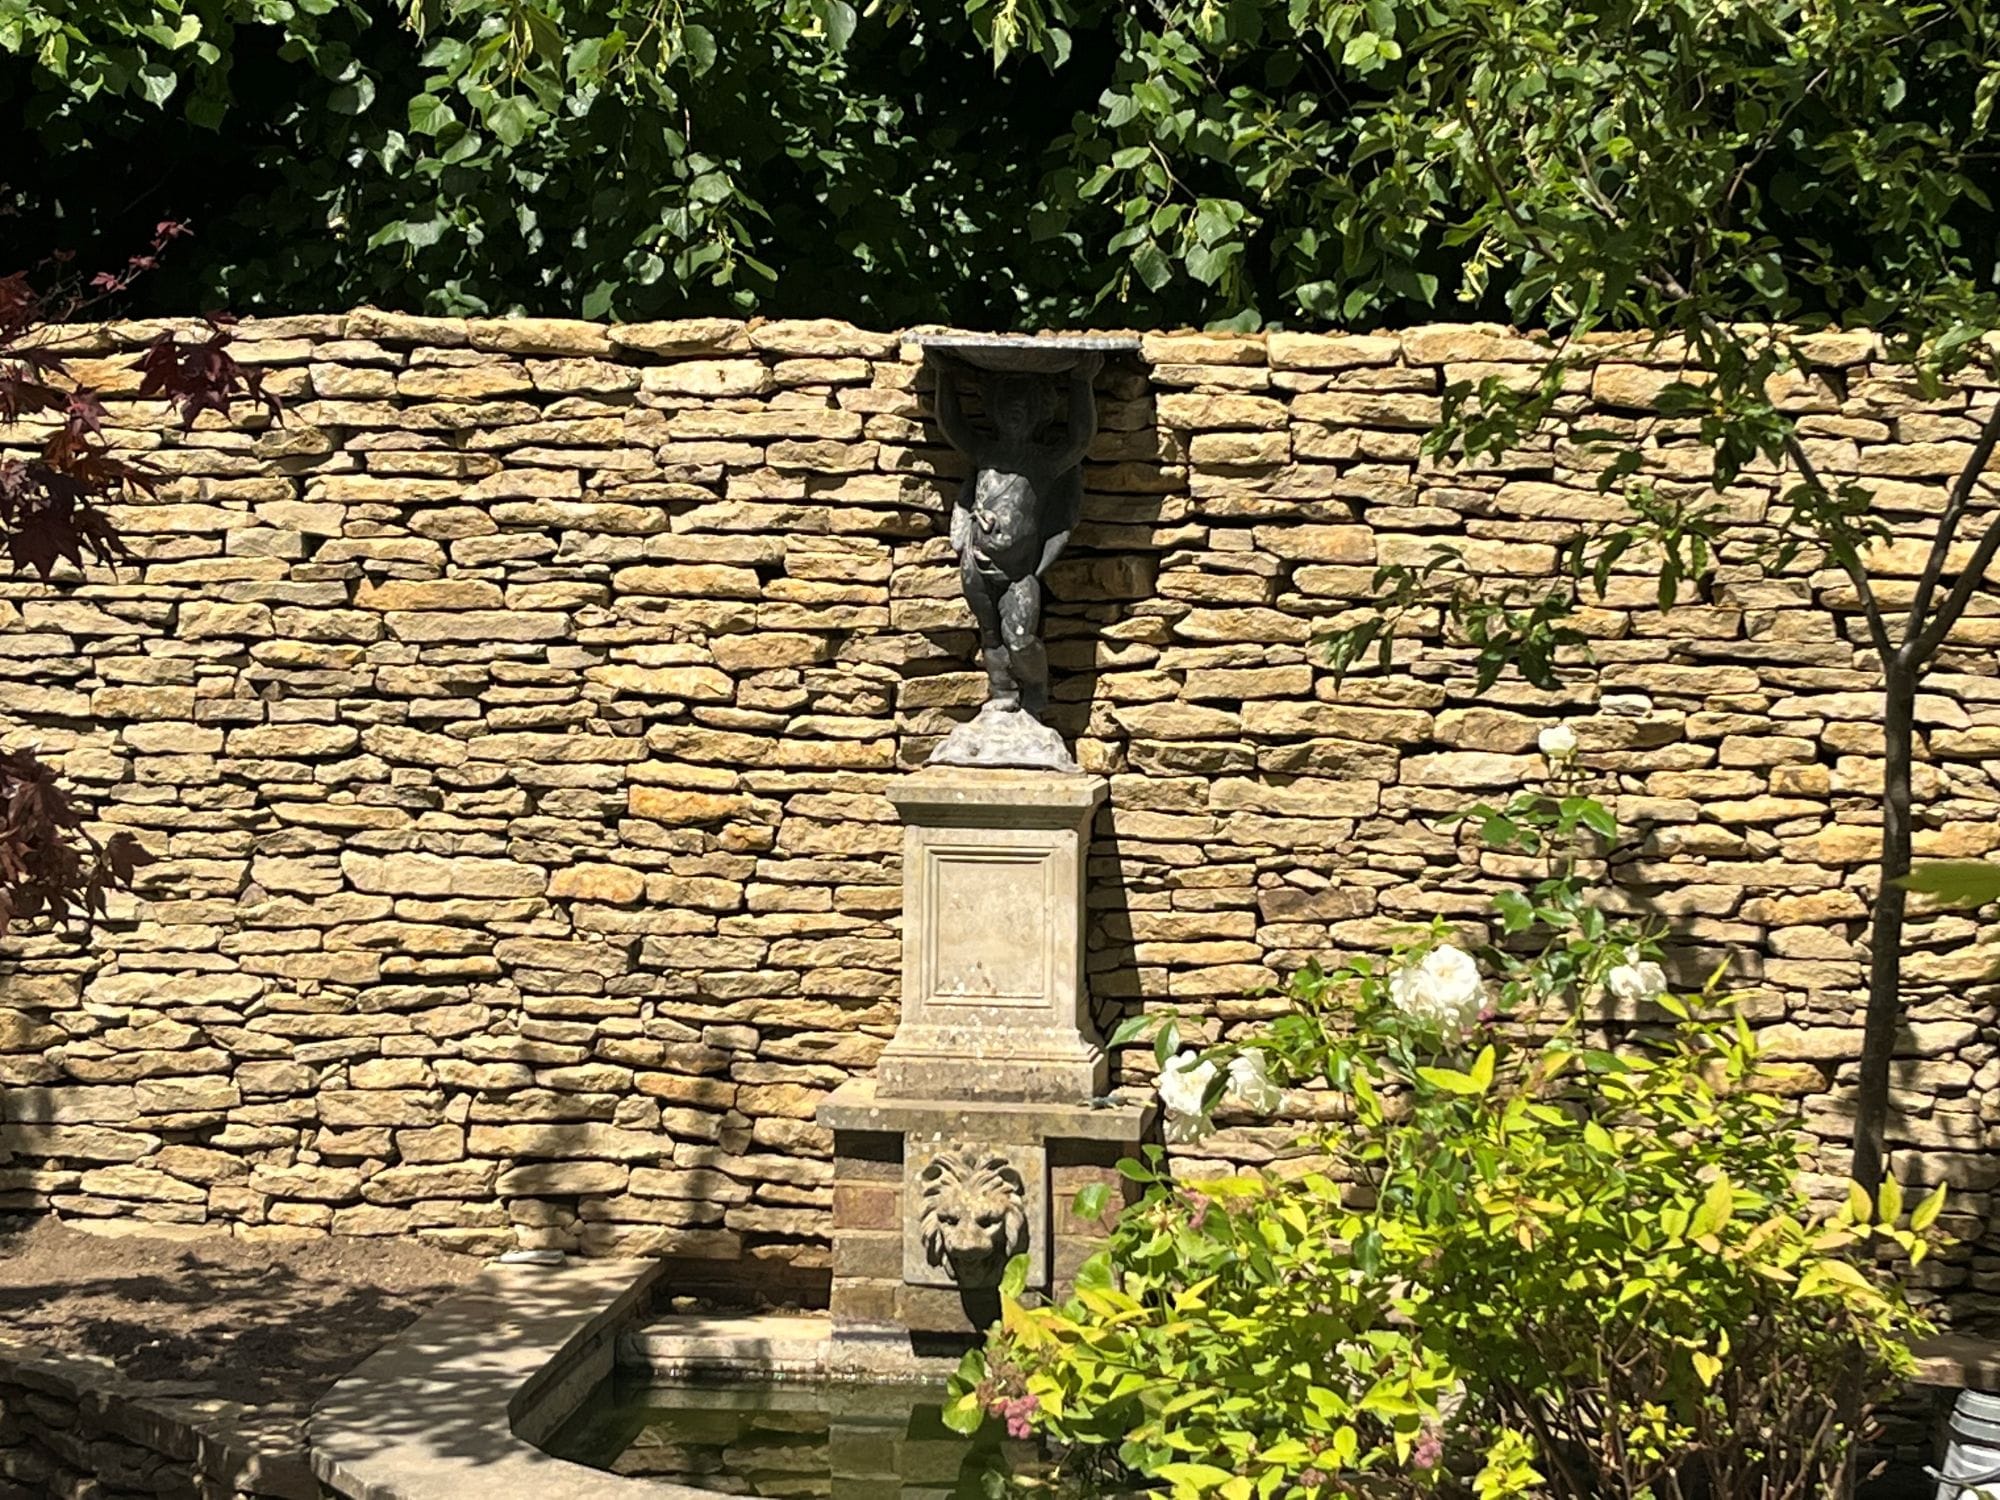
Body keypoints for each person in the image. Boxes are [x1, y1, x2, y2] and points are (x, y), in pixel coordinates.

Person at [931, 353, 1100, 717]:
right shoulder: (984, 452)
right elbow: (952, 426)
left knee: (1021, 638)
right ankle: (1002, 691)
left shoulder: (1044, 461)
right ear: (993, 408)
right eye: (1007, 404)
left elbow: (1079, 441)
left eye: (1024, 406)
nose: (1014, 411)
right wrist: (944, 376)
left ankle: (1036, 686)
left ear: (1041, 411)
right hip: (975, 563)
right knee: (989, 633)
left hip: (1019, 572)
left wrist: (1081, 383)